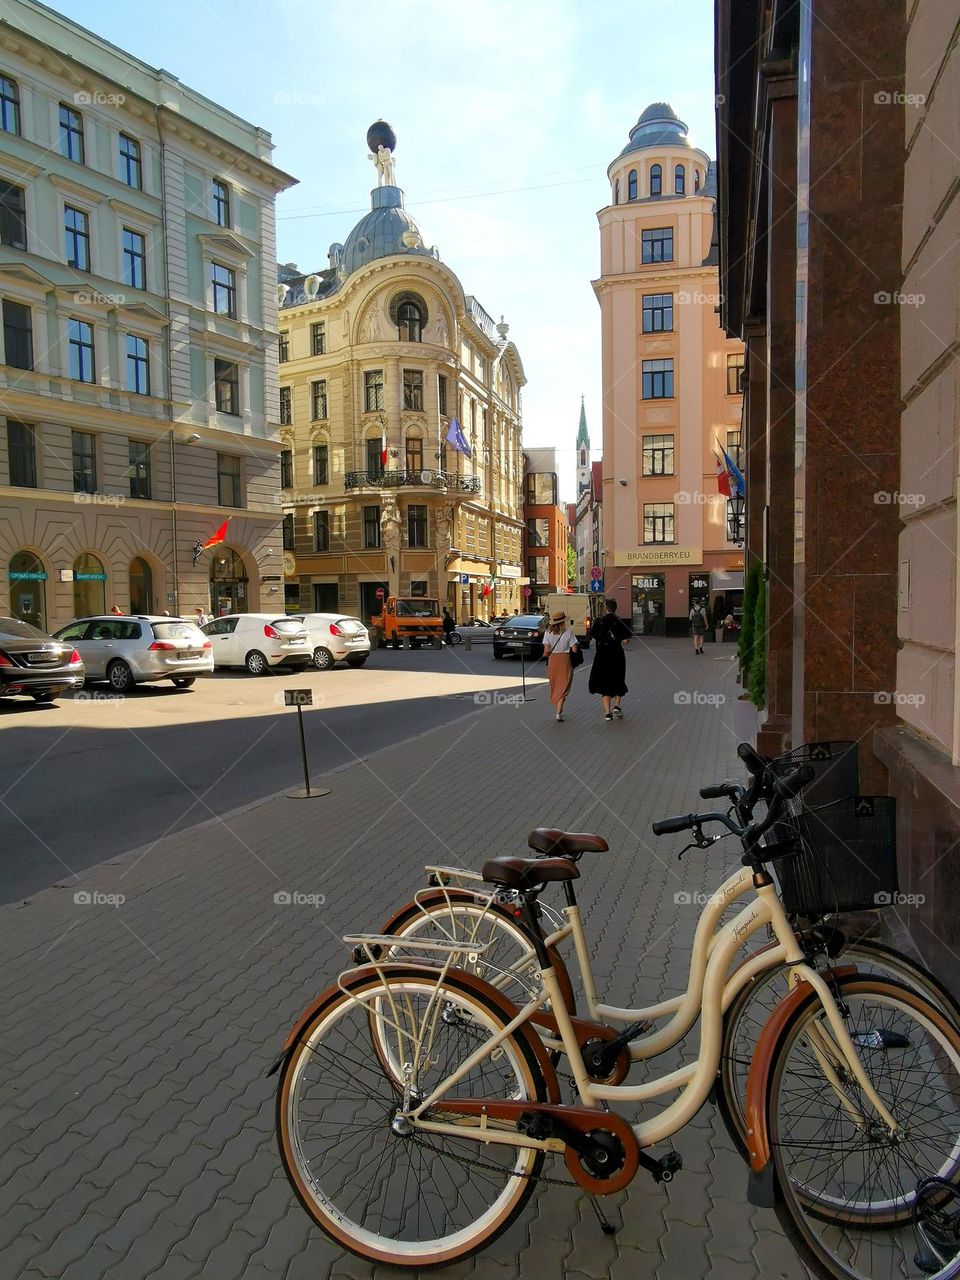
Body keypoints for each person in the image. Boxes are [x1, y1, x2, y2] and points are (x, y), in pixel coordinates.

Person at [589, 599, 631, 720]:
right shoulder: (619, 621)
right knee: (618, 678)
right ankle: (617, 706)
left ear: (605, 609)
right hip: (617, 654)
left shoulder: (599, 621)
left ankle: (607, 713)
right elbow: (626, 641)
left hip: (602, 655)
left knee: (605, 682)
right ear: (615, 608)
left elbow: (593, 636)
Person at [541, 610, 578, 723]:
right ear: (563, 622)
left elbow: (546, 651)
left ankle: (558, 711)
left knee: (556, 685)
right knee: (564, 686)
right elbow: (574, 649)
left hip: (553, 661)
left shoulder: (548, 633)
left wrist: (547, 652)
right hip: (565, 660)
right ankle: (559, 713)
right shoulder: (568, 633)